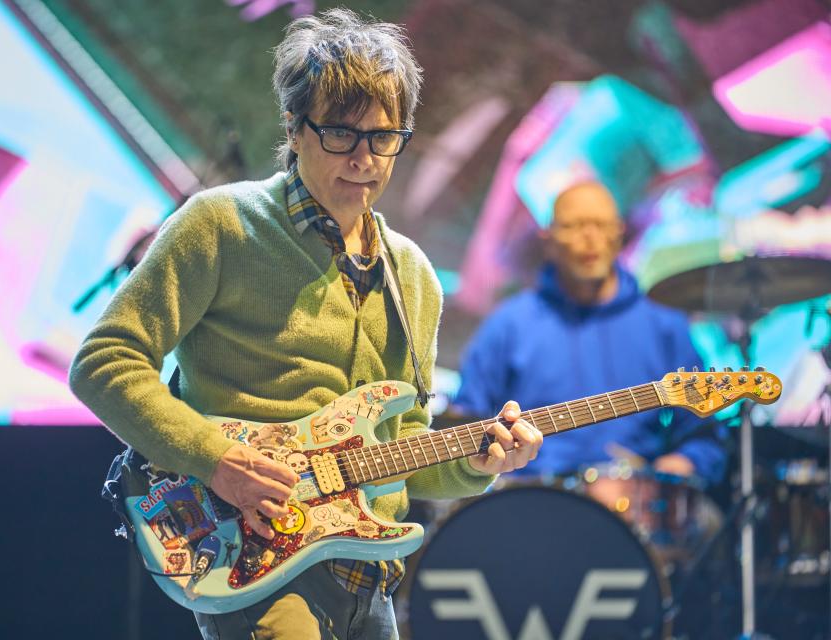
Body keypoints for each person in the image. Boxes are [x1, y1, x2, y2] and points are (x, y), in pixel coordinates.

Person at [68, 9, 543, 640]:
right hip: (251, 554)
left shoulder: (414, 276)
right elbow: (102, 363)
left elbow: (401, 451)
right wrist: (217, 460)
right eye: (342, 135)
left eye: (383, 137)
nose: (364, 159)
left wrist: (480, 466)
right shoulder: (221, 225)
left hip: (367, 574)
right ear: (294, 127)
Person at [452, 180, 725, 485]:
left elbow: (704, 435)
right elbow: (465, 422)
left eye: (601, 225)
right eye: (575, 226)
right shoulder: (508, 324)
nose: (590, 238)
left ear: (619, 233)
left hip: (634, 508)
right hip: (528, 502)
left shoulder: (663, 325)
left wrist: (683, 463)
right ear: (549, 239)